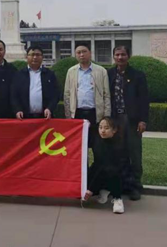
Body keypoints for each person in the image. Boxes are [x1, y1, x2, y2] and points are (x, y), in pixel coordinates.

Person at [108, 46, 150, 201]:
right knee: (117, 153)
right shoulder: (109, 74)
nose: (120, 57)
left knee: (134, 154)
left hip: (131, 120)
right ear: (113, 56)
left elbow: (144, 100)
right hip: (114, 120)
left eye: (123, 54)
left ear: (128, 56)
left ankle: (135, 186)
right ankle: (120, 184)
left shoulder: (138, 75)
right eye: (117, 54)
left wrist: (143, 120)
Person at [64, 44, 111, 148]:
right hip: (77, 113)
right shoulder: (71, 71)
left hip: (95, 113)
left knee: (97, 145)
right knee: (79, 145)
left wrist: (106, 116)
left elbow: (106, 95)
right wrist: (68, 116)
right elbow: (67, 95)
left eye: (84, 51)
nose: (81, 55)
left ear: (90, 53)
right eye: (78, 52)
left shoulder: (101, 71)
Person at [83, 117, 125, 214]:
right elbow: (98, 165)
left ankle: (117, 199)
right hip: (98, 169)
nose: (102, 131)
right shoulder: (96, 140)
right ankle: (103, 190)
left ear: (114, 130)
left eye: (106, 128)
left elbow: (105, 166)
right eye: (100, 127)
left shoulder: (118, 145)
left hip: (114, 172)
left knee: (111, 171)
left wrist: (91, 189)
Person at [10, 46, 59, 119]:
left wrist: (49, 108)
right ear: (27, 57)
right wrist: (17, 110)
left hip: (45, 117)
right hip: (24, 117)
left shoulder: (49, 75)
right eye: (32, 55)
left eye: (38, 55)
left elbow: (56, 94)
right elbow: (14, 95)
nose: (35, 57)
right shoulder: (19, 75)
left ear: (42, 57)